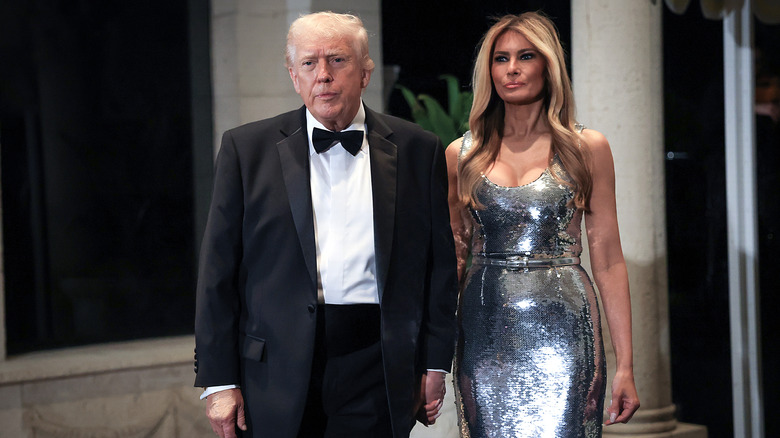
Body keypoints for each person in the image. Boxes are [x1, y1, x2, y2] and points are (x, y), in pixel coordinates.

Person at [194, 11, 458, 438]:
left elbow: (438, 268)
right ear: (293, 75)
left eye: (337, 60)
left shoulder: (418, 149)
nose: (323, 76)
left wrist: (433, 363)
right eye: (309, 63)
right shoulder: (246, 149)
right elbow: (217, 274)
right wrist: (219, 380)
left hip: (378, 365)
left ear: (365, 72)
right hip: (273, 372)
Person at [446, 12, 640, 437]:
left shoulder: (587, 148)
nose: (512, 68)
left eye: (526, 56)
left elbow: (607, 259)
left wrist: (625, 364)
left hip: (565, 331)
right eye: (501, 58)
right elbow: (454, 259)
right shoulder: (460, 154)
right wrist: (430, 361)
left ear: (548, 65)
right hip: (484, 333)